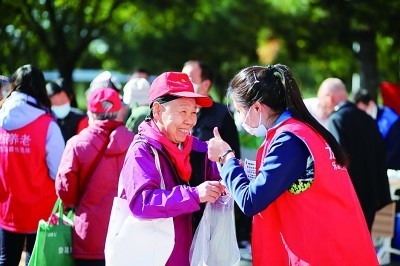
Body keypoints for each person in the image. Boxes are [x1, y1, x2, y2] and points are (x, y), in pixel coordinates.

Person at [207, 64, 378, 265]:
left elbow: (251, 202)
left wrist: (226, 158)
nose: (240, 118)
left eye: (239, 110)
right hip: (335, 248)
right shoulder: (302, 131)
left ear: (256, 107)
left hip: (323, 253)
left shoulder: (288, 139)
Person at [119, 72, 224, 265]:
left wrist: (231, 166)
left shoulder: (197, 147)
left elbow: (218, 173)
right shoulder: (142, 150)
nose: (190, 121)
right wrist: (194, 195)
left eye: (194, 112)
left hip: (188, 257)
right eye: (183, 112)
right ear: (157, 111)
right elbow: (142, 202)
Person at [55, 87, 134, 266]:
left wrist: (73, 205)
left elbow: (65, 188)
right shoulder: (134, 142)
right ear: (118, 112)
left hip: (88, 232)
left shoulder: (76, 143)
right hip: (126, 232)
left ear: (90, 113)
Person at [0, 64, 64, 266]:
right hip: (41, 208)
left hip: (7, 206)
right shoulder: (47, 124)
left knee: (6, 260)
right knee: (35, 261)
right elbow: (58, 172)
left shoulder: (1, 119)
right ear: (40, 88)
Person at [181, 60, 246, 237]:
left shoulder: (222, 113)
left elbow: (234, 155)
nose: (185, 83)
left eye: (190, 78)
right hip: (182, 195)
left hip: (210, 198)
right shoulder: (177, 111)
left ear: (206, 84)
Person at [318, 78, 391, 231]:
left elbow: (337, 162)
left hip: (349, 200)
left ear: (329, 97)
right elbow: (381, 154)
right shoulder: (368, 119)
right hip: (371, 199)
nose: (321, 105)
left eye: (321, 100)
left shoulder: (337, 119)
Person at [353, 88, 400, 170]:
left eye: (363, 110)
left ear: (371, 104)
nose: (361, 114)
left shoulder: (389, 118)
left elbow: (392, 148)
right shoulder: (364, 119)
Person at [46, 78, 88, 142]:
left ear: (70, 97)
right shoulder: (45, 118)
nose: (59, 104)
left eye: (62, 100)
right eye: (55, 102)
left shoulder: (81, 118)